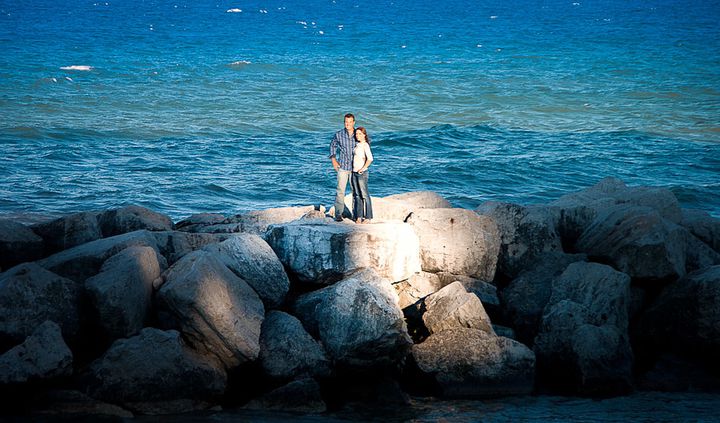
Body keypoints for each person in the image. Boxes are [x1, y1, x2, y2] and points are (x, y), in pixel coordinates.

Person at [329, 113, 356, 221]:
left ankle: (355, 214)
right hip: (343, 167)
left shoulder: (358, 134)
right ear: (344, 122)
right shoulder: (339, 134)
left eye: (350, 122)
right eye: (346, 122)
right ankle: (338, 214)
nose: (348, 124)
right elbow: (332, 146)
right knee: (340, 191)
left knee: (355, 192)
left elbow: (366, 145)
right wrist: (334, 160)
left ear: (353, 122)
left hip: (355, 168)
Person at [351, 126, 374, 223]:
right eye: (356, 134)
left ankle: (368, 217)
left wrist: (363, 168)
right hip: (354, 172)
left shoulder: (365, 145)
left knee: (364, 195)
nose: (357, 135)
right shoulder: (357, 145)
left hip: (362, 173)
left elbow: (370, 159)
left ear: (364, 135)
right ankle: (359, 217)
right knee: (357, 195)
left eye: (360, 133)